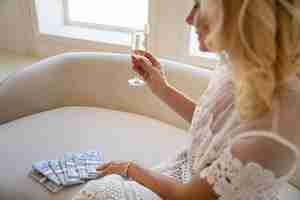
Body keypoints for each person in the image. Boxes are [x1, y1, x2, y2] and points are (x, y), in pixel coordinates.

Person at [72, 0, 300, 199]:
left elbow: (187, 197)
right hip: (188, 172)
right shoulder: (242, 63)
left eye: (200, 5)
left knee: (97, 194)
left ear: (239, 15)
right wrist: (160, 87)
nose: (188, 18)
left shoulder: (272, 132)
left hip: (191, 193)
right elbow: (215, 131)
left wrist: (129, 168)